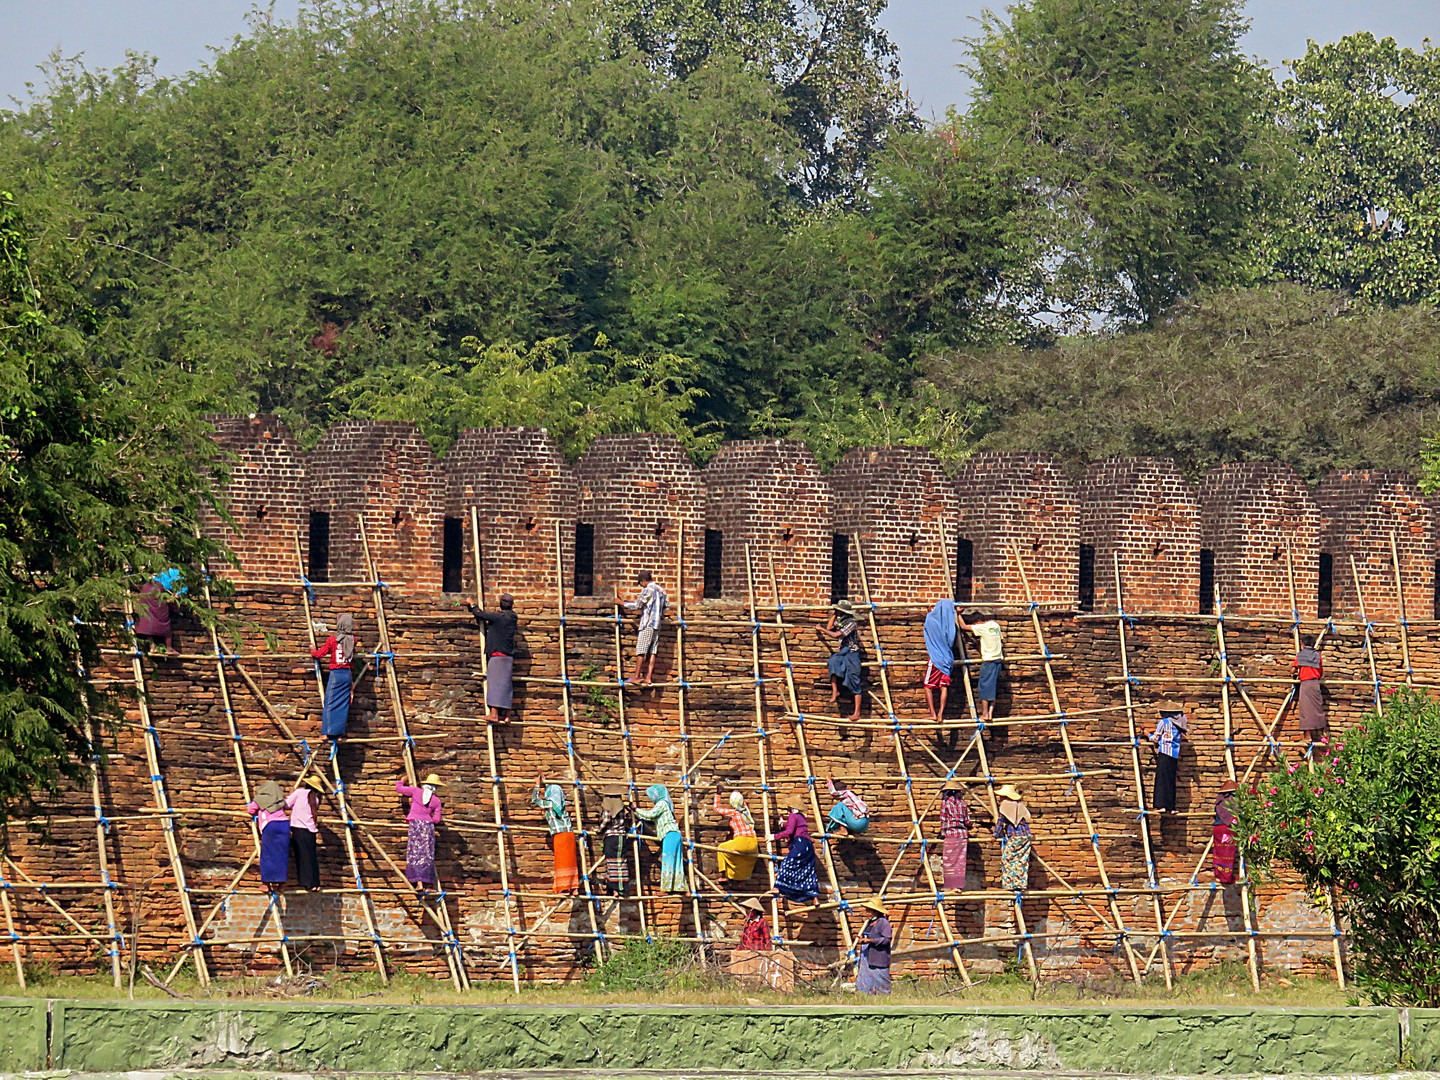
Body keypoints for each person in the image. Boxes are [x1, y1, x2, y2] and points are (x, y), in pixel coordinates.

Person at [466, 593, 518, 721]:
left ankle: (494, 714)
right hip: (508, 656)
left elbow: (481, 614)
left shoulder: (499, 617)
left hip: (498, 656)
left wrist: (472, 604)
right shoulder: (513, 617)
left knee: (495, 684)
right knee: (505, 684)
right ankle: (506, 715)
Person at [312, 613, 357, 742]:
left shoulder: (332, 640)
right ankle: (339, 734)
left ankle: (326, 732)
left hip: (336, 674)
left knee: (330, 702)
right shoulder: (353, 640)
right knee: (343, 704)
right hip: (347, 674)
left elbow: (319, 654)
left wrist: (312, 650)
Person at [532, 774, 579, 894]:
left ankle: (564, 886)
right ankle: (574, 887)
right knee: (571, 860)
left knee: (562, 860)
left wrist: (537, 786)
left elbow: (536, 800)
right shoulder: (560, 805)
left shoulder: (550, 804)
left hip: (560, 835)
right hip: (569, 834)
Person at [396, 773, 444, 891]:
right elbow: (437, 819)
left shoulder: (416, 792)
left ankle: (419, 884)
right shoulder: (436, 801)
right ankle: (426, 885)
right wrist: (427, 819)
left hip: (415, 826)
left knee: (415, 853)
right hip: (428, 827)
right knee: (426, 855)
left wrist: (402, 780)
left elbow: (399, 789)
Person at [621, 571, 668, 685]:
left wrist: (622, 603)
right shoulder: (661, 590)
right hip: (657, 625)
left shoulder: (648, 590)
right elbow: (666, 606)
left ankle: (636, 676)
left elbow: (638, 605)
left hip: (648, 624)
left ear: (643, 581)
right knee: (653, 651)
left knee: (641, 650)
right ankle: (648, 677)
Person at [635, 783, 685, 893]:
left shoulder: (662, 803)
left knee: (667, 859)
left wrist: (636, 808)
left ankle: (667, 888)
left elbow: (651, 814)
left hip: (670, 834)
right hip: (675, 834)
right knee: (677, 861)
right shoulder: (665, 804)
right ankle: (682, 888)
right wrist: (637, 814)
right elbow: (648, 817)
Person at [957, 610, 1004, 723]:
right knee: (993, 688)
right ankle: (990, 713)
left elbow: (963, 626)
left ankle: (985, 713)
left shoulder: (982, 627)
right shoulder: (995, 625)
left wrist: (957, 613)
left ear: (978, 621)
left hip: (989, 661)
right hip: (998, 660)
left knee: (984, 687)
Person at [246, 779, 290, 894]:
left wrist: (259, 812)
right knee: (282, 855)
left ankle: (266, 884)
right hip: (284, 825)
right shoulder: (280, 800)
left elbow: (250, 810)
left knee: (267, 855)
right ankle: (281, 885)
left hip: (271, 826)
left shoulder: (260, 799)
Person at [822, 599, 863, 720]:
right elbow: (830, 627)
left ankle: (857, 713)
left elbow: (834, 635)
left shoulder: (851, 623)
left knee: (854, 679)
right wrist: (834, 615)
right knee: (833, 662)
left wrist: (821, 630)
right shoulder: (842, 622)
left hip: (851, 653)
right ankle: (835, 691)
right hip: (843, 652)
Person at [771, 805, 819, 902]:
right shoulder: (801, 816)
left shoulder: (793, 815)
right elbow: (795, 826)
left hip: (800, 843)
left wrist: (774, 836)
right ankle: (814, 897)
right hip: (808, 846)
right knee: (807, 869)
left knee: (787, 863)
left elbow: (789, 831)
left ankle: (777, 887)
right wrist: (783, 824)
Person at [287, 774, 325, 892]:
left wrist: (290, 794)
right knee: (311, 857)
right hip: (310, 831)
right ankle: (315, 883)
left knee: (303, 857)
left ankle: (308, 883)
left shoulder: (299, 793)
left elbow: (286, 805)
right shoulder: (316, 799)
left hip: (299, 829)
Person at [923, 598, 959, 722]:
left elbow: (930, 621)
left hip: (936, 659)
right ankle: (941, 714)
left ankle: (933, 713)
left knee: (928, 686)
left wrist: (930, 612)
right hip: (948, 659)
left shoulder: (931, 620)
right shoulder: (950, 624)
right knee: (944, 687)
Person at [1149, 700, 1187, 815]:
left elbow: (1155, 738)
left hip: (1165, 753)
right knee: (1170, 780)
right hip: (1174, 754)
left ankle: (1161, 805)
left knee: (1161, 779)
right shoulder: (1178, 725)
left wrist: (1147, 734)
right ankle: (1171, 806)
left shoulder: (1164, 722)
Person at [595, 784, 634, 897]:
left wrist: (599, 829)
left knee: (611, 863)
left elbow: (606, 820)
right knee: (621, 862)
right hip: (621, 837)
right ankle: (620, 888)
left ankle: (614, 889)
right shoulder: (621, 807)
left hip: (611, 837)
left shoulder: (607, 805)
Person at [712, 789, 759, 880]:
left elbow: (716, 809)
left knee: (721, 848)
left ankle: (723, 875)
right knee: (744, 859)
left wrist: (718, 794)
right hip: (753, 843)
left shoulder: (734, 813)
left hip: (742, 841)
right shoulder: (746, 812)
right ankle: (741, 880)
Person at [994, 784, 1031, 893]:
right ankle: (1021, 884)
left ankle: (1011, 884)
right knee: (1021, 860)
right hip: (1025, 835)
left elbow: (1000, 822)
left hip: (1016, 836)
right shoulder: (1019, 805)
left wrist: (994, 835)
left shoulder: (1005, 805)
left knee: (1007, 859)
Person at [134, 570, 180, 655]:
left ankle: (153, 646)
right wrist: (173, 599)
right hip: (154, 599)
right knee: (164, 623)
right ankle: (168, 648)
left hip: (147, 601)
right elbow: (163, 601)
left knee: (146, 621)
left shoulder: (148, 584)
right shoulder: (161, 583)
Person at [1294, 644, 1328, 755]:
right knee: (1318, 708)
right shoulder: (1318, 656)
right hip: (1315, 684)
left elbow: (1293, 669)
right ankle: (1324, 734)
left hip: (1305, 684)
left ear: (1303, 644)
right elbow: (1321, 670)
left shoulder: (1300, 656)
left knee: (1305, 710)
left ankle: (1307, 735)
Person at [855, 897, 892, 995]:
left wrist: (870, 940)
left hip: (878, 956)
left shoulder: (883, 923)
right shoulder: (869, 923)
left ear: (876, 911)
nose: (867, 913)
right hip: (867, 956)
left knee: (880, 978)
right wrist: (862, 939)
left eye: (869, 911)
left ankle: (884, 996)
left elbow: (886, 939)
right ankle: (864, 994)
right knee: (865, 976)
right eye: (866, 910)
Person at [938, 778, 970, 891]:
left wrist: (943, 833)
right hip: (962, 834)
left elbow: (943, 820)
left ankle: (952, 887)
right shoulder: (963, 804)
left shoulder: (945, 803)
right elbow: (967, 821)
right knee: (960, 861)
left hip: (951, 833)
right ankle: (957, 886)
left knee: (950, 860)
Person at [1212, 780, 1240, 884]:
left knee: (1218, 852)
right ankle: (1226, 878)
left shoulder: (1219, 800)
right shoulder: (1233, 801)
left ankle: (1218, 876)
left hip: (1217, 828)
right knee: (1227, 853)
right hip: (1228, 829)